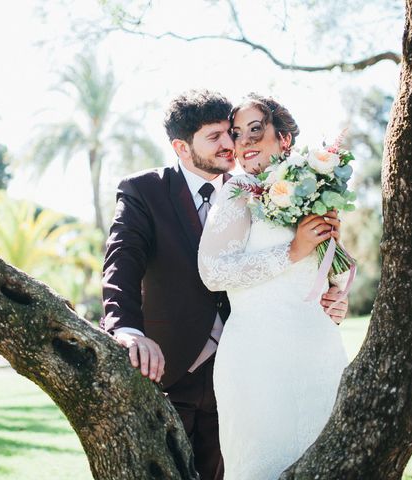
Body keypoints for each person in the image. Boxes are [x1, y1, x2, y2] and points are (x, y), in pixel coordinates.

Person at [101, 89, 348, 480]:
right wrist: (125, 329)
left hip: (249, 365)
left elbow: (324, 262)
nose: (230, 144)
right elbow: (121, 264)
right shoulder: (143, 191)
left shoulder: (270, 189)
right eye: (216, 136)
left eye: (229, 133)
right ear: (182, 148)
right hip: (171, 369)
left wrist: (334, 294)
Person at [198, 93, 350, 480]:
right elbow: (213, 272)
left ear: (283, 139)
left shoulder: (315, 190)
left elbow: (333, 265)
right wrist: (292, 251)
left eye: (255, 130)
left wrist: (338, 295)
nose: (244, 142)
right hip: (257, 358)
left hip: (319, 353)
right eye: (237, 133)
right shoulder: (237, 193)